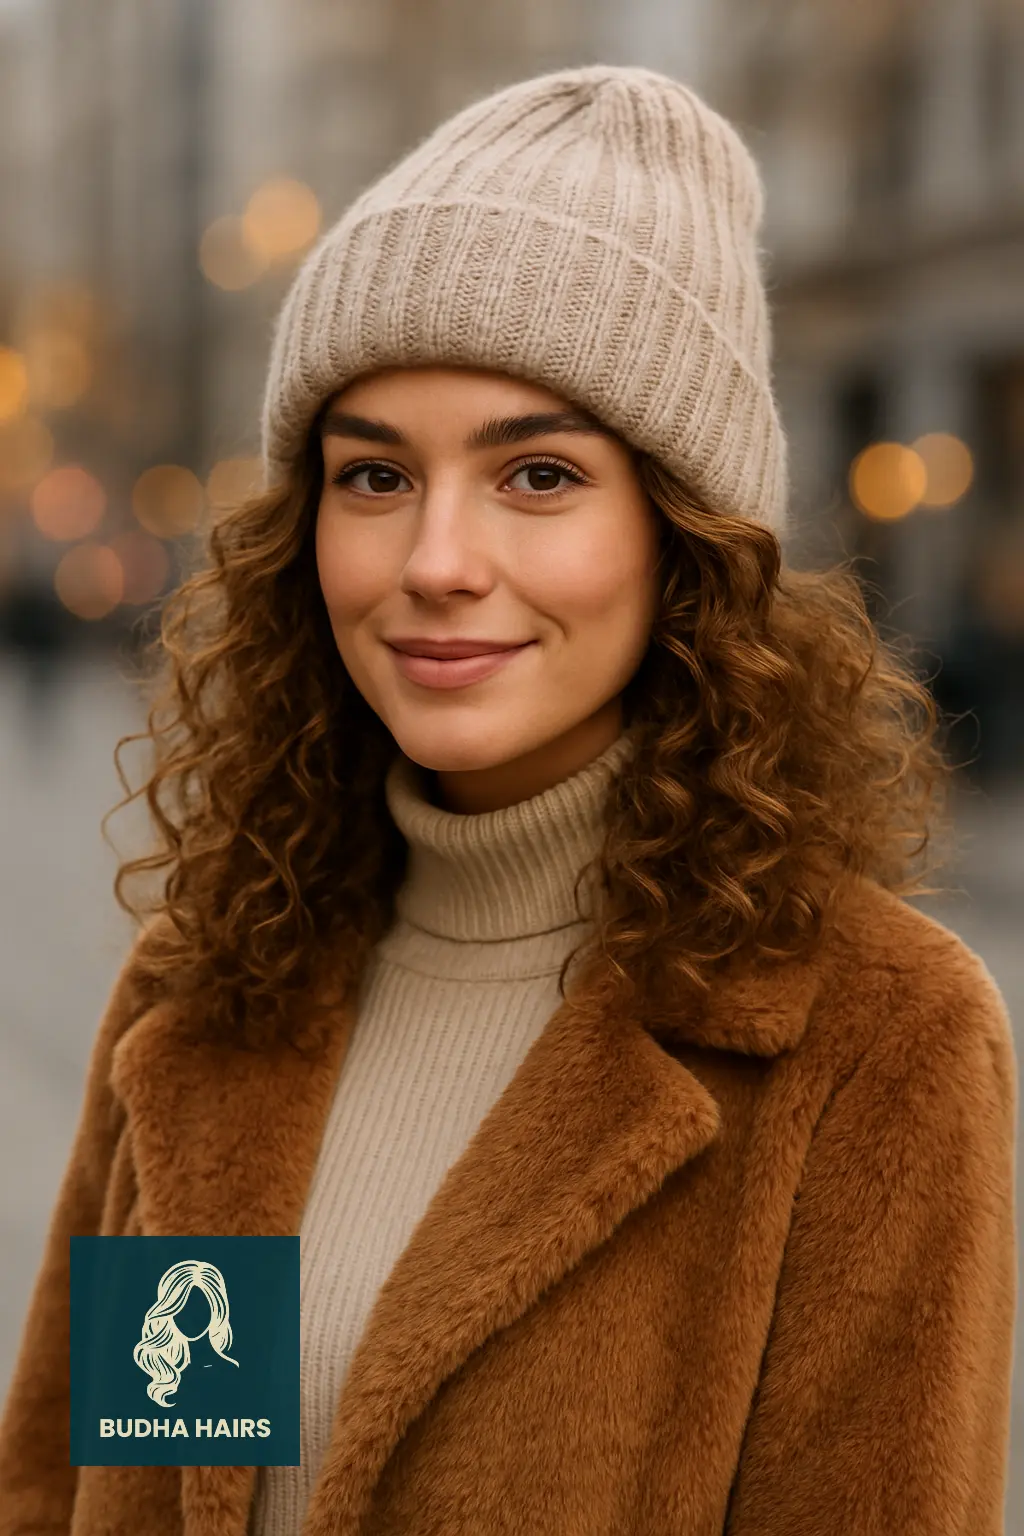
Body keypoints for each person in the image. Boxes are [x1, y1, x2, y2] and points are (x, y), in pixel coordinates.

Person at [0, 64, 1017, 1536]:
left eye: (537, 474)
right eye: (373, 478)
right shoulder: (216, 976)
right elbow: (81, 1494)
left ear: (683, 541)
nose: (436, 559)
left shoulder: (879, 1037)